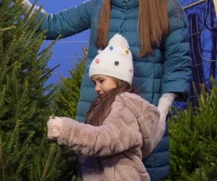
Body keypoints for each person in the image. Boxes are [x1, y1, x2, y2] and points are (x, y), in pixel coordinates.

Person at [16, 0, 192, 180]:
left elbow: (178, 65)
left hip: (142, 125)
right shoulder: (100, 5)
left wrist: (161, 114)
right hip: (95, 120)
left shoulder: (166, 6)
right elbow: (52, 26)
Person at [47, 33, 160, 181]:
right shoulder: (106, 105)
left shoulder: (125, 107)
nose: (97, 88)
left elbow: (106, 139)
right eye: (95, 83)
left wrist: (66, 129)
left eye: (101, 81)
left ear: (119, 78)